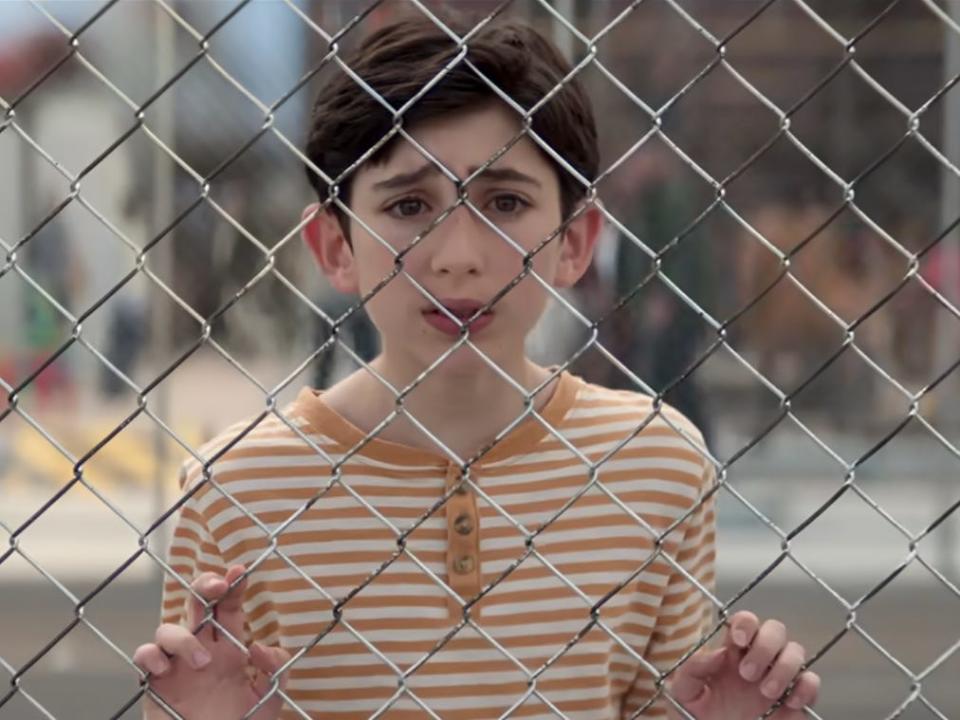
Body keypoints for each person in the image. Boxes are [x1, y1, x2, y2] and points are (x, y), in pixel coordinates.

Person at [132, 12, 820, 720]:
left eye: (505, 202)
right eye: (408, 203)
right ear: (335, 246)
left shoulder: (656, 464)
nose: (458, 253)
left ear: (574, 241)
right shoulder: (238, 489)